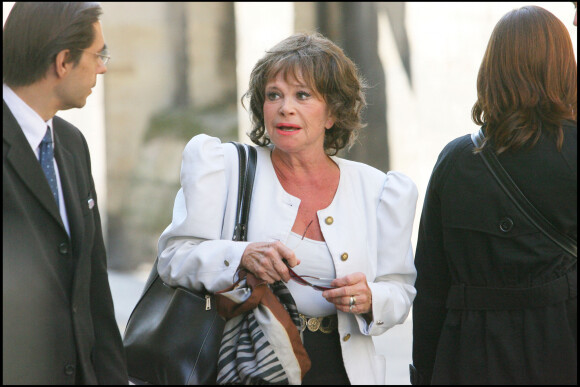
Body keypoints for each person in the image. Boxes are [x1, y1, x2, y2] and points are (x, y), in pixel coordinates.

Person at [156, 32, 418, 385]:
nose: (285, 108)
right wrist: (240, 255)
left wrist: (372, 298)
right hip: (246, 363)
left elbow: (400, 290)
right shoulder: (225, 168)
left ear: (333, 113)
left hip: (343, 370)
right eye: (273, 95)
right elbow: (173, 258)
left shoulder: (380, 191)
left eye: (303, 95)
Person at [411, 5, 577, 385]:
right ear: (564, 68)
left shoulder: (454, 161)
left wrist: (422, 372)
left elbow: (430, 286)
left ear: (491, 70)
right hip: (562, 346)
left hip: (469, 352)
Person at [3, 2, 128, 384]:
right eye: (98, 55)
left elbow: (94, 289)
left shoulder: (72, 144)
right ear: (62, 62)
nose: (103, 67)